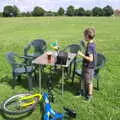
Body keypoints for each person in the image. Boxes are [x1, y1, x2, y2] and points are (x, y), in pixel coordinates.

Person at [77, 27, 96, 100]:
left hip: (89, 67)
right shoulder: (90, 43)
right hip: (85, 65)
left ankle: (89, 95)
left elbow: (91, 59)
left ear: (88, 36)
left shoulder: (90, 46)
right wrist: (84, 45)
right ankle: (81, 91)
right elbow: (89, 52)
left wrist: (81, 55)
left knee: (89, 82)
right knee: (82, 78)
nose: (84, 37)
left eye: (84, 35)